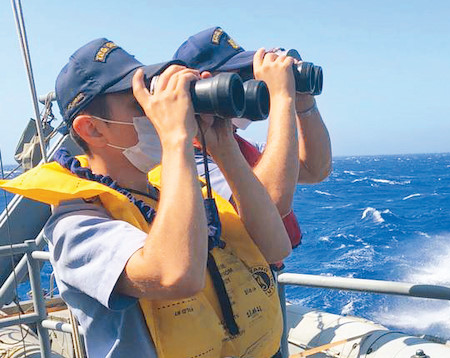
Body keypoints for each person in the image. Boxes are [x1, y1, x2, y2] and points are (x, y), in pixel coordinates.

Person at [0, 38, 290, 358]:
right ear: (92, 129)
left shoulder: (179, 191)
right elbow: (173, 274)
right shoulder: (76, 227)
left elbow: (275, 246)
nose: (158, 113)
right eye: (141, 106)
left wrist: (221, 141)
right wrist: (176, 136)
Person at [173, 27, 333, 256]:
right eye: (240, 77)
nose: (254, 83)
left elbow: (315, 169)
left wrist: (303, 101)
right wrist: (281, 96)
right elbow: (271, 202)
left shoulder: (239, 147)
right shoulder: (187, 159)